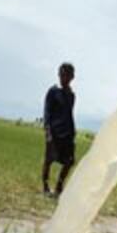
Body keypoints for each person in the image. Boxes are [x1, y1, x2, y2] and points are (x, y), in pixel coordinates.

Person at [42, 62, 76, 197]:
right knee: (48, 160)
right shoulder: (53, 91)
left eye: (67, 75)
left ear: (72, 77)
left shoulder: (72, 95)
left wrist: (73, 130)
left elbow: (69, 114)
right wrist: (48, 131)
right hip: (54, 133)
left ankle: (59, 187)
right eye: (62, 74)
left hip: (67, 133)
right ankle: (45, 186)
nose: (64, 77)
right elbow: (47, 112)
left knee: (70, 161)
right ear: (59, 75)